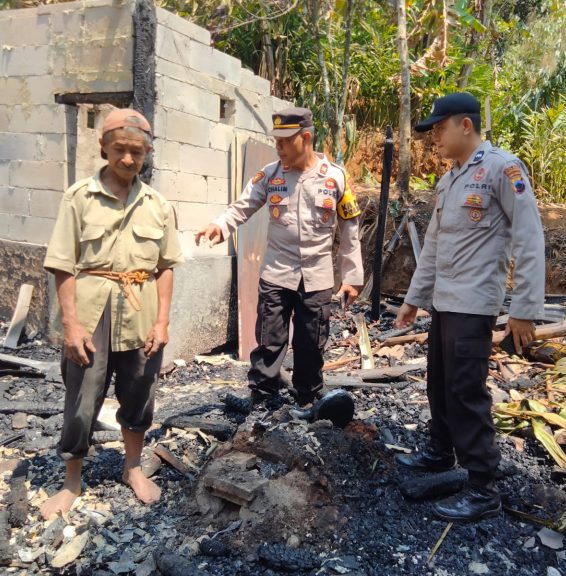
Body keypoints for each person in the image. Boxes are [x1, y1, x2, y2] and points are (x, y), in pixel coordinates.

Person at [394, 92, 545, 521]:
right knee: (440, 383)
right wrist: (413, 300)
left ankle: (482, 487)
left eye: (439, 129)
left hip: (475, 304)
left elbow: (529, 237)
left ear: (465, 125)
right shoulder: (451, 179)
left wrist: (524, 308)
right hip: (445, 302)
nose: (434, 138)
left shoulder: (503, 168)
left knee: (465, 392)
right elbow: (436, 248)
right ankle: (441, 453)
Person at [40, 108, 184, 519]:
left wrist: (162, 321)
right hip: (90, 311)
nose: (127, 159)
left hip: (141, 310)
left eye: (136, 152)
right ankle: (71, 481)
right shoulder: (78, 198)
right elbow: (62, 264)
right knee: (83, 396)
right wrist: (70, 324)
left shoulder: (157, 204)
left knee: (140, 391)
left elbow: (166, 266)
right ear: (103, 147)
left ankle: (133, 468)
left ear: (146, 153)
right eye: (119, 149)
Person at [196, 107, 364, 411]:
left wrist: (352, 277)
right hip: (277, 273)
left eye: (285, 141)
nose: (279, 148)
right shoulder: (270, 175)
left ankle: (308, 398)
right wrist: (220, 226)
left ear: (306, 138)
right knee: (269, 339)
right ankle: (262, 398)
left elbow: (350, 229)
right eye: (276, 141)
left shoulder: (334, 178)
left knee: (311, 343)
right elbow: (242, 206)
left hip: (317, 277)